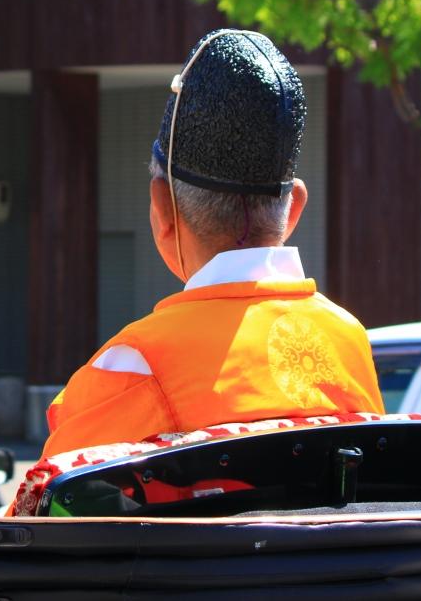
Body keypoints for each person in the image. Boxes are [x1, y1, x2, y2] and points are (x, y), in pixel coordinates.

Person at [42, 30, 383, 458]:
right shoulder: (349, 340)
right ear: (294, 209)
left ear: (161, 207)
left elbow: (48, 494)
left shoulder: (135, 364)